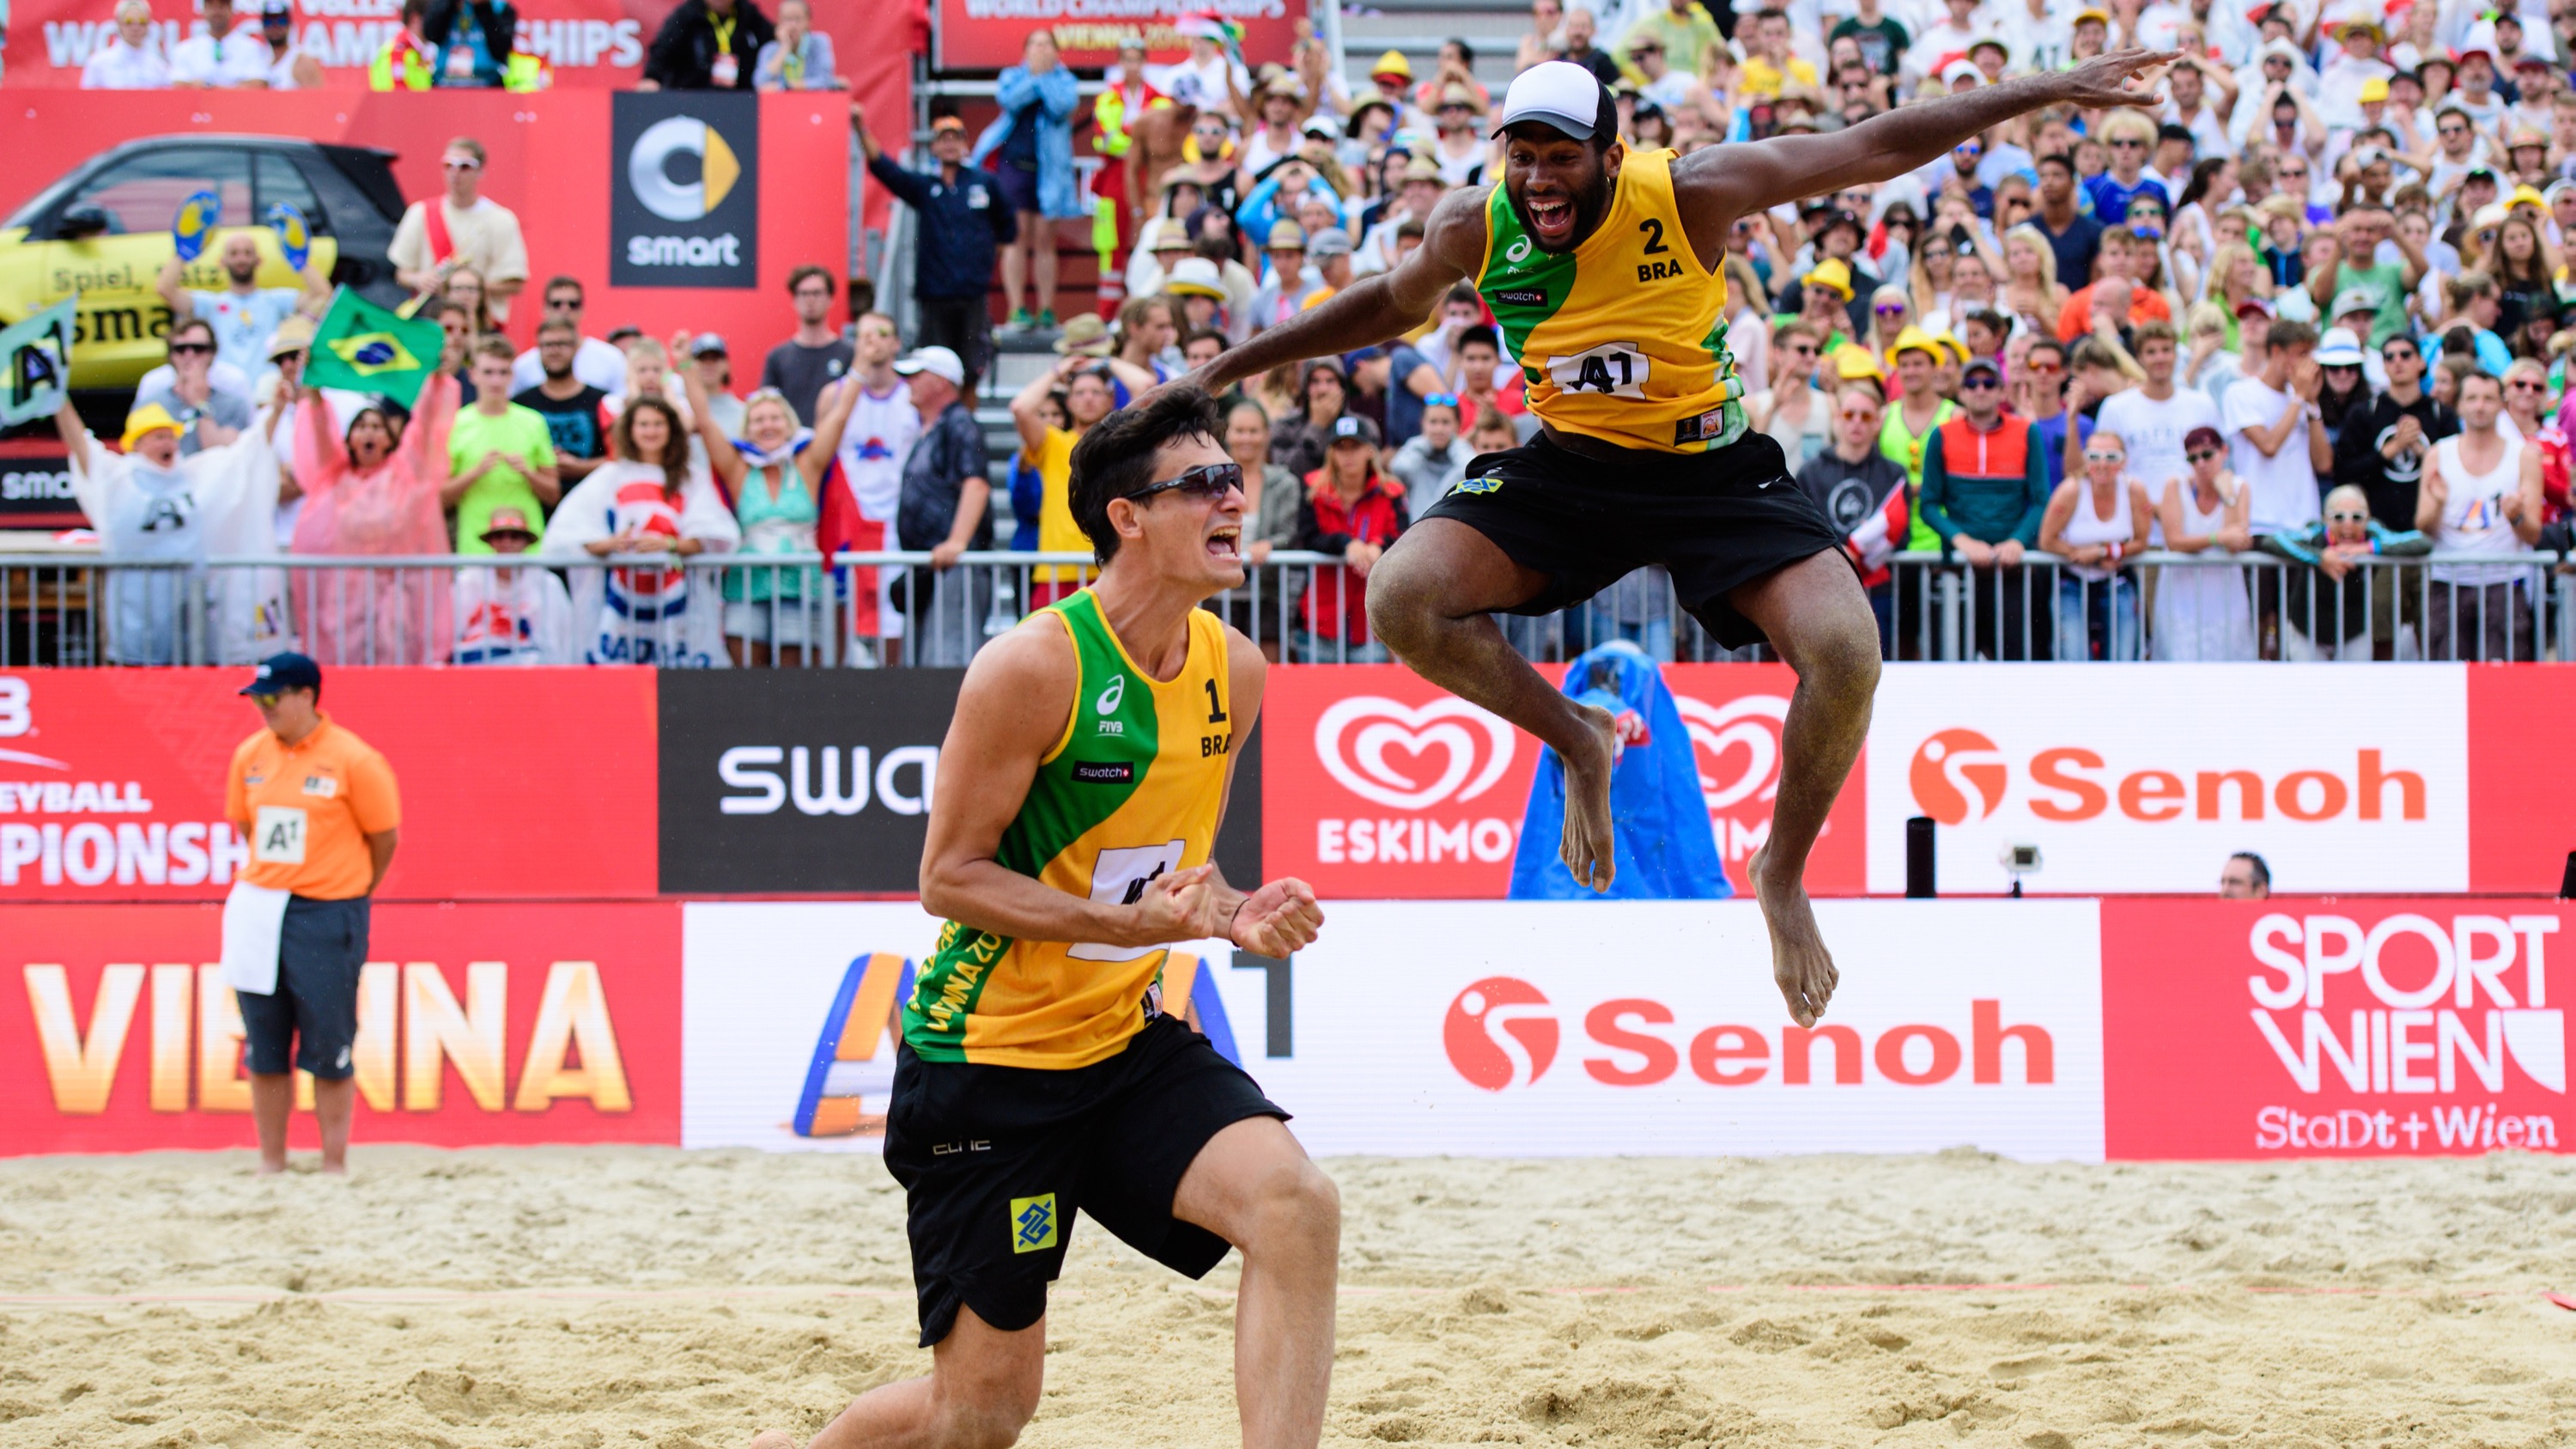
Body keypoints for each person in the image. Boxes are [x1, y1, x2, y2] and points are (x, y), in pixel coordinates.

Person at [1175, 52, 2176, 1022]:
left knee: (1846, 653)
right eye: (1520, 155)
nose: (1536, 178)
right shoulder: (1475, 226)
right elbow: (1386, 306)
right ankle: (1580, 740)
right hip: (1572, 467)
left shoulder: (1693, 191)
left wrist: (2046, 89)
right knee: (1400, 596)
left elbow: (1876, 145)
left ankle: (1779, 875)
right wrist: (1227, 368)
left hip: (1711, 469)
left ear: (1611, 154)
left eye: (1559, 155)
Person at [742, 385, 1329, 1449]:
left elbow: (1185, 876)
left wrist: (1238, 913)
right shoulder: (1034, 664)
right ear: (1128, 516)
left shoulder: (1233, 670)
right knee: (979, 1417)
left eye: (1235, 476)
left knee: (1296, 1206)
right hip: (989, 1064)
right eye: (1204, 481)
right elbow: (949, 878)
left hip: (1119, 1044)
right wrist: (1133, 930)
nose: (1235, 493)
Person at [221, 652, 400, 1176]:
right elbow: (247, 829)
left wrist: (350, 889)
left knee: (329, 1040)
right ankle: (271, 1163)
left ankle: (333, 1165)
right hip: (260, 909)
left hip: (327, 911)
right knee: (265, 1042)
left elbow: (384, 837)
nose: (263, 707)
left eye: (273, 697)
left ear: (307, 696)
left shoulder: (355, 760)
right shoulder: (249, 756)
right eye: (257, 698)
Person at [58, 392, 290, 666]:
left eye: (171, 436)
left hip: (190, 619)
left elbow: (248, 452)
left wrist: (276, 410)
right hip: (136, 618)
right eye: (158, 437)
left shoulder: (196, 476)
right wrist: (58, 400)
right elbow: (82, 446)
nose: (168, 443)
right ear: (138, 443)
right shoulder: (118, 480)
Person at [677, 356, 862, 667]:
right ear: (747, 429)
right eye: (759, 420)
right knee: (749, 680)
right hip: (747, 586)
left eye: (775, 418)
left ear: (789, 424)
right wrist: (684, 365)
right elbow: (706, 421)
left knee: (796, 681)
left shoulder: (808, 463)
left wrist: (863, 365)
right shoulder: (737, 468)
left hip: (801, 584)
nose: (768, 426)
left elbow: (840, 415)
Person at [541, 399, 743, 667]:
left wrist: (669, 545)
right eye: (644, 424)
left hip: (678, 611)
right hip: (618, 613)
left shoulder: (691, 478)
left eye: (658, 424)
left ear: (671, 430)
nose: (651, 431)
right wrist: (613, 544)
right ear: (630, 430)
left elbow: (714, 537)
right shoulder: (610, 476)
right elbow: (570, 535)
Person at [293, 380, 459, 666]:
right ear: (349, 439)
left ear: (390, 438)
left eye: (377, 426)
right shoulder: (334, 477)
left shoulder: (406, 476)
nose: (369, 432)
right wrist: (315, 397)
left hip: (394, 595)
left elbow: (426, 427)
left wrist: (435, 383)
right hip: (345, 595)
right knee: (344, 667)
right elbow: (320, 433)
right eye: (361, 426)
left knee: (394, 664)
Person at [1922, 356, 2054, 660]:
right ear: (1962, 392)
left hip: (2012, 570)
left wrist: (2018, 541)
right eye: (1971, 383)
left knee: (2016, 660)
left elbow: (2041, 499)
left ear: (2001, 392)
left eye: (1988, 383)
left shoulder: (2026, 431)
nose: (1980, 389)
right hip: (1958, 567)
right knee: (1952, 661)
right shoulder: (1942, 434)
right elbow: (1928, 504)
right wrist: (1962, 541)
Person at [2418, 371, 2544, 660]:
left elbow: (2533, 533)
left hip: (2504, 581)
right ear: (2459, 404)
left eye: (2488, 399)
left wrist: (2516, 517)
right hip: (2447, 582)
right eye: (2472, 398)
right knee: (2445, 680)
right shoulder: (2438, 454)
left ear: (2502, 404)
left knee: (2507, 687)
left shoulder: (2524, 456)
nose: (2480, 406)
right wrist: (2437, 504)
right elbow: (2424, 527)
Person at [892, 346, 993, 667]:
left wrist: (957, 543)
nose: (908, 383)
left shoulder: (959, 423)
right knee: (925, 666)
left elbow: (975, 483)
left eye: (916, 375)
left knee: (948, 662)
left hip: (954, 569)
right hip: (932, 568)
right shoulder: (933, 429)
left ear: (940, 382)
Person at [977, 31, 1083, 332]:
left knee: (1044, 239)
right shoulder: (1012, 76)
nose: (1041, 49)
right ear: (1024, 51)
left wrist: (1044, 78)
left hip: (1049, 170)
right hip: (1015, 166)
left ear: (1057, 51)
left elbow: (1061, 107)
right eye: (1035, 44)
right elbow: (1010, 101)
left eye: (1047, 44)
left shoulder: (1064, 80)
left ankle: (1047, 308)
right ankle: (1016, 310)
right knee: (1015, 236)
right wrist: (1034, 77)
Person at [1795, 381, 1911, 651]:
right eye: (1849, 415)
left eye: (1866, 416)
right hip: (1823, 592)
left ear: (1877, 423)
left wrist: (1861, 552)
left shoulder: (1894, 474)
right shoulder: (1810, 472)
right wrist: (1841, 552)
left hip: (1878, 592)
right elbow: (1801, 532)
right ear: (1837, 419)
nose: (1856, 422)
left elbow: (1902, 535)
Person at [2259, 482, 2432, 659]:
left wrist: (2370, 548)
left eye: (2357, 517)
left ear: (2367, 519)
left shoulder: (2372, 532)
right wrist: (2319, 557)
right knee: (2310, 686)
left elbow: (2422, 541)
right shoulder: (2316, 532)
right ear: (2326, 519)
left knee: (2354, 686)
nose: (2348, 525)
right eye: (2339, 517)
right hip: (2307, 629)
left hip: (2353, 631)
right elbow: (2273, 540)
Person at [1011, 356, 1121, 606]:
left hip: (1108, 572)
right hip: (1055, 572)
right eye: (1080, 392)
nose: (1088, 398)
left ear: (1110, 400)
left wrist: (1107, 360)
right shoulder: (1053, 442)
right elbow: (1021, 408)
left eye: (1096, 392)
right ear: (1069, 402)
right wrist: (1058, 370)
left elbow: (1146, 385)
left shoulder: (1121, 444)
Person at [2038, 428, 2154, 660]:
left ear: (2124, 461)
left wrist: (2103, 551)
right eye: (2094, 457)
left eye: (2111, 457)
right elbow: (2046, 540)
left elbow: (2142, 541)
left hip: (2117, 582)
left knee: (2124, 658)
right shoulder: (2071, 490)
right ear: (2085, 459)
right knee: (2074, 658)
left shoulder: (2134, 490)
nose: (2102, 465)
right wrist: (2080, 554)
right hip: (2072, 585)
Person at [389, 137, 530, 325]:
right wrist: (419, 279)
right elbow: (401, 273)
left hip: (480, 325)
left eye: (465, 166)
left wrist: (465, 290)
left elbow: (515, 283)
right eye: (449, 165)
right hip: (430, 322)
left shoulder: (501, 220)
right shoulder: (420, 213)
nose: (455, 173)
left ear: (480, 171)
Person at [445, 337, 561, 555]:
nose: (496, 381)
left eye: (503, 372)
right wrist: (475, 473)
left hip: (528, 551)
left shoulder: (533, 422)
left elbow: (553, 494)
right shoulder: (455, 424)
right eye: (488, 372)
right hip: (475, 552)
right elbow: (440, 498)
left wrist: (527, 472)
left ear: (512, 376)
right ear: (473, 375)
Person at [2151, 424, 2256, 660]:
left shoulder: (2239, 488)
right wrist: (2215, 537)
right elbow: (2175, 540)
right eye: (2193, 457)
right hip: (2181, 597)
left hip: (2225, 597)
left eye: (2207, 454)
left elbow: (2234, 544)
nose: (2201, 463)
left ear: (2224, 452)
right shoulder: (2175, 486)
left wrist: (2228, 496)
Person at [2333, 330, 2454, 529]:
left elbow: (2455, 473)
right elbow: (2343, 472)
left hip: (2431, 529)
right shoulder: (2364, 413)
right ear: (2383, 366)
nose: (2397, 361)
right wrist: (2392, 449)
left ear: (2421, 362)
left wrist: (2421, 451)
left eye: (2405, 355)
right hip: (2377, 531)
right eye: (2389, 357)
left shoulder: (2441, 414)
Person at [453, 506, 576, 664]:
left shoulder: (548, 584)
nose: (507, 542)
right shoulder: (468, 581)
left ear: (526, 542)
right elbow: (450, 634)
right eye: (499, 536)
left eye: (515, 536)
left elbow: (562, 638)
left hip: (533, 669)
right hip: (476, 663)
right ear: (490, 541)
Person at [511, 318, 614, 490]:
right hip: (535, 507)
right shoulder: (521, 403)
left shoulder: (602, 401)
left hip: (588, 503)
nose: (554, 351)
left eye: (562, 344)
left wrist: (580, 468)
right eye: (547, 345)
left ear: (576, 348)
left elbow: (619, 459)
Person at [136, 318, 255, 458]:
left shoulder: (234, 404)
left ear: (212, 353)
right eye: (181, 349)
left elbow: (224, 458)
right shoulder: (150, 404)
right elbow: (140, 457)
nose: (189, 355)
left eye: (198, 348)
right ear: (171, 355)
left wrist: (199, 403)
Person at [759, 265, 854, 424]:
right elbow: (767, 407)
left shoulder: (848, 353)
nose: (810, 300)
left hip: (836, 444)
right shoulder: (778, 357)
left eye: (817, 293)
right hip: (792, 446)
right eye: (803, 294)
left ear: (830, 299)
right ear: (794, 300)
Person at [510, 277, 628, 393]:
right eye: (557, 304)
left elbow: (622, 406)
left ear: (582, 310)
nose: (565, 309)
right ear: (544, 309)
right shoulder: (523, 367)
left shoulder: (612, 358)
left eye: (573, 304)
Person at [642, 0, 771, 89]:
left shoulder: (747, 13)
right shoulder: (687, 14)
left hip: (739, 96)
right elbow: (664, 47)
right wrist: (652, 77)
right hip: (693, 93)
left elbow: (770, 42)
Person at [1388, 396, 1471, 519]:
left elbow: (1469, 469)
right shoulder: (1417, 451)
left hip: (1453, 531)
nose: (1439, 429)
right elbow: (1400, 468)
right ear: (1423, 424)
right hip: (1418, 531)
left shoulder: (1461, 451)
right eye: (1433, 422)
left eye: (1446, 422)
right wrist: (1424, 443)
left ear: (1458, 425)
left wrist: (1455, 443)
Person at [171, 0, 271, 87]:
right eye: (212, 6)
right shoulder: (185, 49)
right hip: (198, 108)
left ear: (231, 8)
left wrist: (211, 88)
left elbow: (259, 83)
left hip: (239, 107)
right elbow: (178, 84)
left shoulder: (252, 48)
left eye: (222, 5)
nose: (217, 11)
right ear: (204, 9)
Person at [82, 0, 172, 88]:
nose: (135, 28)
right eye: (129, 22)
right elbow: (87, 100)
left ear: (148, 25)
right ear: (119, 24)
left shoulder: (159, 68)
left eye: (141, 22)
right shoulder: (98, 64)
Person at [753, 0, 839, 90]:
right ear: (778, 22)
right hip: (781, 104)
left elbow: (826, 80)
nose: (793, 26)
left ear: (809, 22)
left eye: (798, 19)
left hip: (815, 102)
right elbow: (759, 83)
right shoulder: (769, 49)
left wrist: (788, 87)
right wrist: (785, 48)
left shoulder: (819, 43)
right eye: (787, 19)